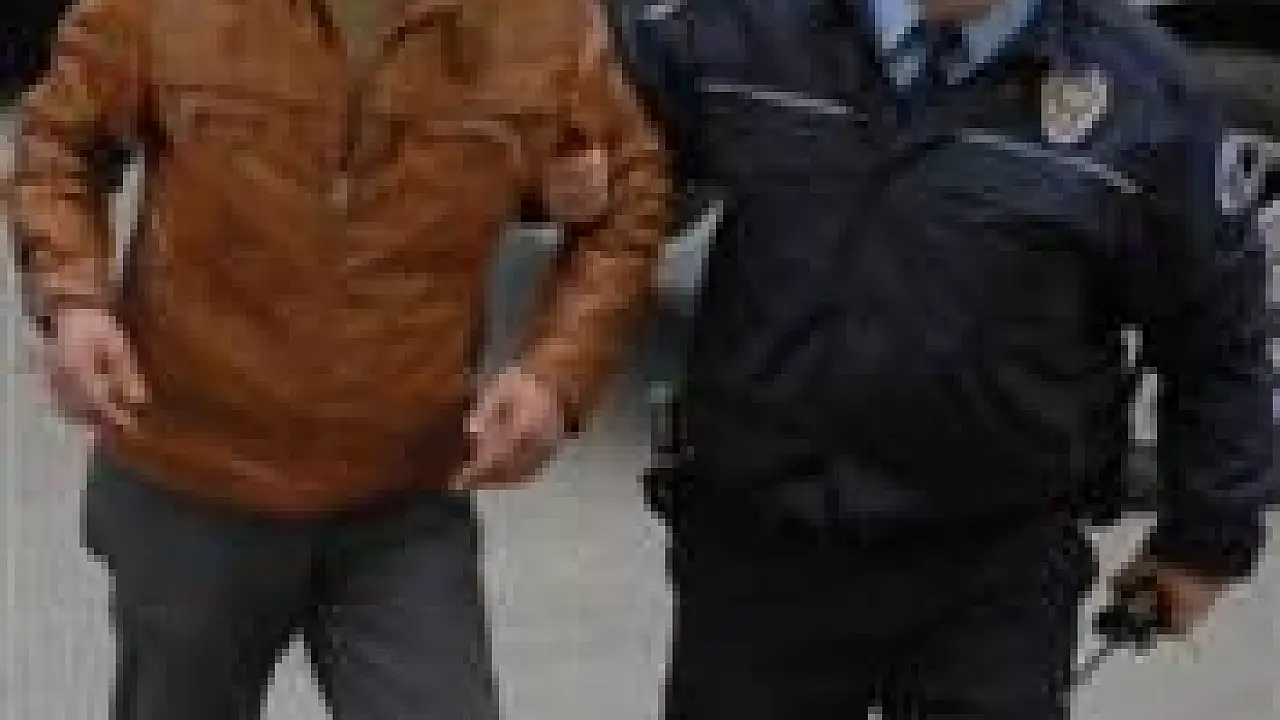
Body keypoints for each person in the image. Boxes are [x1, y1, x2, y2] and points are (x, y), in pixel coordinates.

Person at [609, 0, 1276, 717]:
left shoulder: (1147, 94)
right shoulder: (748, 29)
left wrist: (1207, 537)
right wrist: (564, 182)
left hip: (992, 576)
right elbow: (581, 130)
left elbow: (1215, 332)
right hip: (758, 551)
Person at [6, 0, 670, 717]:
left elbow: (629, 196)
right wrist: (74, 300)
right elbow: (58, 143)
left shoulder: (540, 21)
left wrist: (556, 375)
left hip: (402, 497)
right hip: (192, 476)